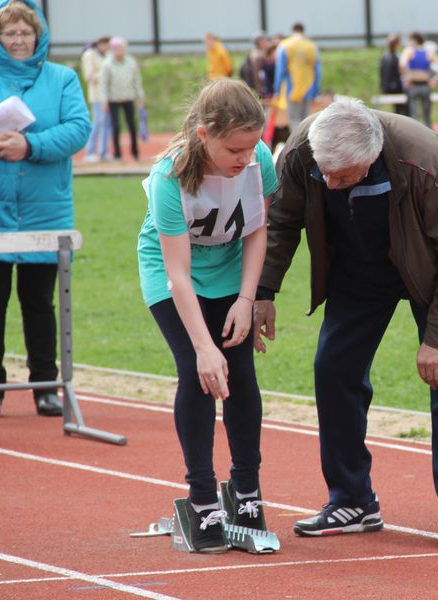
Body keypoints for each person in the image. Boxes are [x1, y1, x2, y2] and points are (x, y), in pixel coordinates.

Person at [254, 97, 438, 548]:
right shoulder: (305, 148)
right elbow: (283, 222)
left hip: (432, 272)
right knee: (333, 369)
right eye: (324, 174)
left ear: (370, 156)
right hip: (357, 270)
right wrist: (264, 292)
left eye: (343, 177)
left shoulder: (427, 160)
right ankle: (352, 499)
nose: (330, 183)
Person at [137, 79, 278, 553]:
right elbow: (177, 273)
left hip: (231, 268)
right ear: (203, 135)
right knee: (199, 373)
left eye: (252, 144)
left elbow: (258, 232)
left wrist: (247, 299)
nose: (245, 156)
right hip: (174, 274)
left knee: (239, 372)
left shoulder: (259, 160)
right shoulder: (168, 178)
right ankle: (201, 498)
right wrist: (202, 346)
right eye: (233, 148)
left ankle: (247, 491)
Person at [0, 0, 90, 419]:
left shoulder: (62, 78)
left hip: (46, 208)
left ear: (39, 35)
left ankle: (45, 384)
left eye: (27, 32)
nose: (19, 40)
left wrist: (31, 145)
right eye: (10, 33)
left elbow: (78, 128)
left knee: (40, 301)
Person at [101, 36, 144, 161]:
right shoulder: (107, 64)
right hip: (113, 99)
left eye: (123, 48)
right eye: (119, 48)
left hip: (128, 97)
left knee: (132, 125)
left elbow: (137, 80)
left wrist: (140, 95)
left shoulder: (131, 62)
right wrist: (104, 100)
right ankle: (117, 154)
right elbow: (104, 84)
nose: (122, 51)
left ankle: (135, 153)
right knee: (116, 126)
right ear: (114, 50)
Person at [274, 22, 320, 132]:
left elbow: (280, 70)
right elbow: (317, 70)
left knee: (294, 119)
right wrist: (316, 91)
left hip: (292, 88)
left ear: (292, 31)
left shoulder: (285, 45)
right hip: (309, 87)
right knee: (306, 120)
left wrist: (277, 90)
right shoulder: (311, 46)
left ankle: (296, 146)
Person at [399, 32, 438, 128]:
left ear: (414, 40)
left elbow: (402, 64)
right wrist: (435, 80)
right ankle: (430, 137)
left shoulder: (410, 51)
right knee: (427, 115)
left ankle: (415, 137)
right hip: (425, 85)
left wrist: (407, 77)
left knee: (414, 115)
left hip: (413, 85)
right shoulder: (428, 53)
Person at [80, 35, 110, 162]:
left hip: (108, 95)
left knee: (107, 124)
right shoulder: (90, 55)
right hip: (97, 95)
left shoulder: (106, 55)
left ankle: (103, 152)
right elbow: (89, 76)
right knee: (98, 122)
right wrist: (105, 74)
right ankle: (90, 151)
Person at [379, 33, 408, 116]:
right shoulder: (393, 57)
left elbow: (383, 74)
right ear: (397, 44)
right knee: (401, 110)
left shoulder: (387, 56)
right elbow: (386, 74)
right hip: (396, 87)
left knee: (400, 109)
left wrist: (384, 87)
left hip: (394, 86)